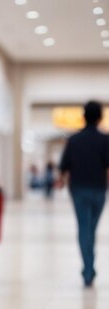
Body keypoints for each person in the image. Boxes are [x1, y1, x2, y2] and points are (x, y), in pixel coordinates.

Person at [58, 101, 109, 287]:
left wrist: (61, 180)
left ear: (84, 116)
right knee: (91, 228)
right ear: (99, 117)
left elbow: (64, 165)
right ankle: (89, 267)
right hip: (99, 189)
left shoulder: (74, 140)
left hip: (78, 189)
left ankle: (88, 269)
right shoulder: (105, 139)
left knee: (83, 227)